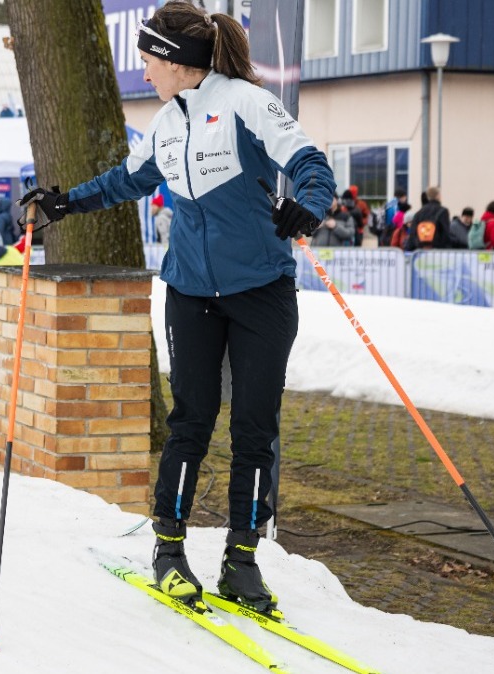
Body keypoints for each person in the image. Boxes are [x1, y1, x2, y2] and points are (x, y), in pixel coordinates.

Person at [17, 2, 333, 613]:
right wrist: (63, 204)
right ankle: (168, 550)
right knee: (191, 420)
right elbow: (125, 180)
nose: (143, 73)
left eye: (148, 61)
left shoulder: (246, 102)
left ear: (176, 60)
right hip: (191, 293)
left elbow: (310, 165)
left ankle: (242, 561)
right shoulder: (166, 122)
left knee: (255, 429)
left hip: (261, 292)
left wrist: (309, 205)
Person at [402, 187, 449, 251]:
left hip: (421, 249)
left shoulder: (419, 213)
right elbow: (445, 233)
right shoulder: (443, 211)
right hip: (437, 250)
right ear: (438, 196)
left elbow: (413, 233)